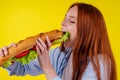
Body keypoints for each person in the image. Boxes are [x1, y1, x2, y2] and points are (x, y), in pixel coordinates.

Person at [0, 2, 117, 80]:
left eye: (71, 21)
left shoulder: (101, 62)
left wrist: (47, 67)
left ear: (88, 31)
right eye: (64, 18)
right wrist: (10, 58)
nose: (62, 23)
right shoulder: (58, 53)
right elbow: (24, 69)